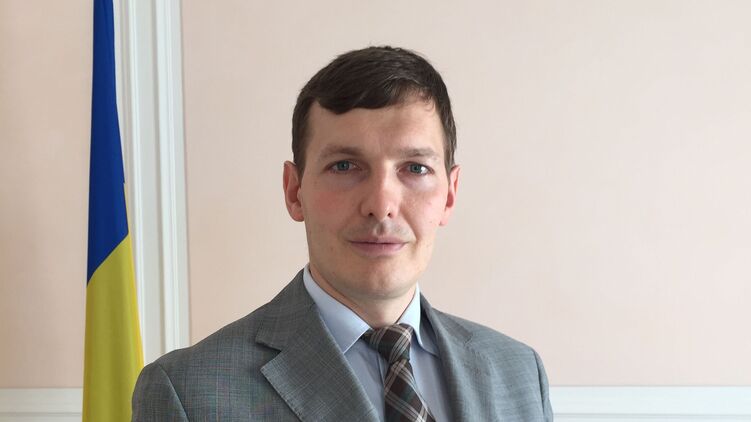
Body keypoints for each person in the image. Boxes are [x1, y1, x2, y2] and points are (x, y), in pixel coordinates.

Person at [132, 46, 553, 421]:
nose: (381, 204)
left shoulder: (519, 374)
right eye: (345, 166)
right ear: (294, 191)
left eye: (415, 168)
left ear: (449, 194)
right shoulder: (187, 394)